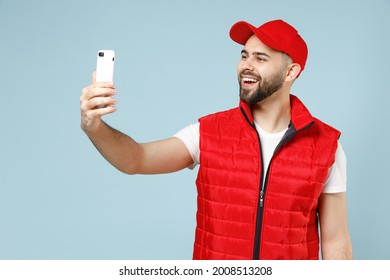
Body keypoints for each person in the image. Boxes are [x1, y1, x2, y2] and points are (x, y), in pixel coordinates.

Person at [80, 19, 353, 260]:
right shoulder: (208, 132)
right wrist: (94, 127)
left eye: (260, 58)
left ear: (291, 72)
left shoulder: (326, 144)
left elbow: (335, 240)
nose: (246, 66)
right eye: (244, 55)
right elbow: (135, 159)